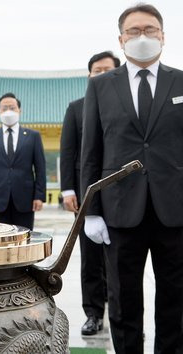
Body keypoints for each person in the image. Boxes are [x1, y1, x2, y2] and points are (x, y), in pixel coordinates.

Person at [81, 4, 183, 353]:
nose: (143, 37)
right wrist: (90, 210)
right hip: (120, 208)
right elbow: (91, 150)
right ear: (121, 39)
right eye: (135, 31)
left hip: (175, 209)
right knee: (123, 298)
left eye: (150, 30)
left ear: (163, 36)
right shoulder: (101, 87)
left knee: (175, 296)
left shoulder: (181, 81)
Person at [60, 51, 120, 336]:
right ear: (89, 75)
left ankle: (122, 316)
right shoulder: (76, 107)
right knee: (91, 259)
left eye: (107, 69)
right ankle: (93, 313)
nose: (101, 74)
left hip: (123, 195)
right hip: (88, 195)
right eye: (96, 70)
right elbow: (69, 151)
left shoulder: (128, 107)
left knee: (121, 260)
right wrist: (69, 189)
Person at [0, 93, 46, 230]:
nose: (8, 111)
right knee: (3, 240)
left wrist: (39, 196)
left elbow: (40, 168)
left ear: (19, 110)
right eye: (4, 108)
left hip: (26, 199)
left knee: (24, 239)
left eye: (12, 107)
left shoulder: (33, 136)